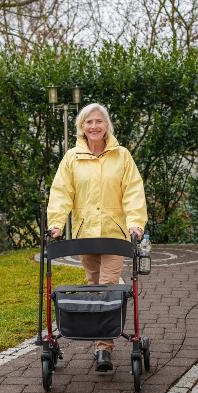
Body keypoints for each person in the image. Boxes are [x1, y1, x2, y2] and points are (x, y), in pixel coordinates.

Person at [47, 102, 147, 372]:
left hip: (115, 235)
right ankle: (98, 340)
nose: (94, 126)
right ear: (81, 126)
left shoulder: (122, 156)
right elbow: (61, 192)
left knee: (108, 286)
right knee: (93, 286)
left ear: (107, 126)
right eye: (88, 122)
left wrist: (136, 223)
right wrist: (56, 224)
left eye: (98, 122)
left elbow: (133, 191)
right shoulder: (72, 158)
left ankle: (104, 348)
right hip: (85, 234)